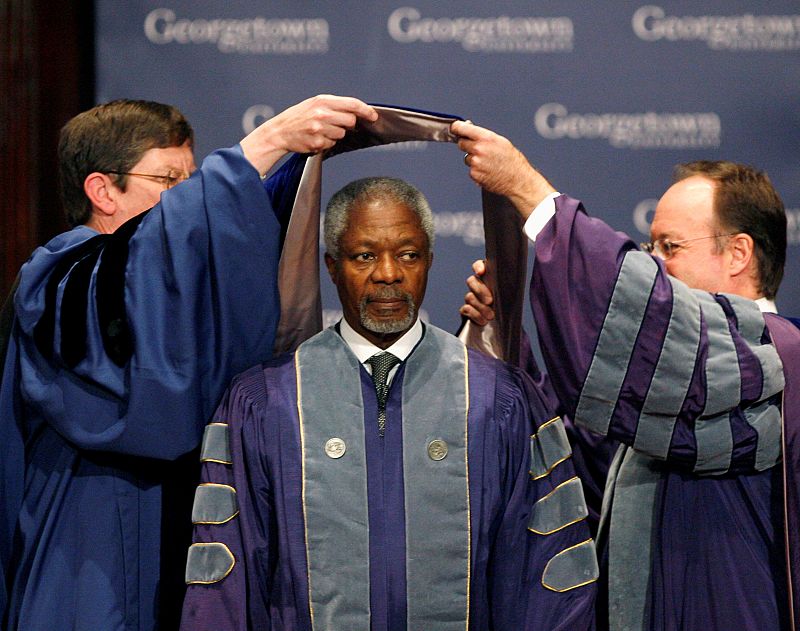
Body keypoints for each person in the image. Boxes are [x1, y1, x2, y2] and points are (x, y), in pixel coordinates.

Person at [0, 95, 378, 630]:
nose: (188, 200)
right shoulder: (60, 277)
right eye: (169, 181)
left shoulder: (178, 296)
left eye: (191, 179)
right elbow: (143, 391)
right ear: (102, 190)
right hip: (87, 564)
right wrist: (264, 144)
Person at [180, 177, 598, 630]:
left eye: (408, 255)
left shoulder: (500, 399)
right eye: (364, 256)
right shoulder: (266, 402)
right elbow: (226, 582)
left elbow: (547, 572)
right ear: (332, 266)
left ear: (430, 262)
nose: (388, 273)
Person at [452, 120, 800, 631]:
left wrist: (531, 193)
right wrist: (504, 340)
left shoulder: (775, 354)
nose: (654, 265)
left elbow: (652, 320)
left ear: (739, 253)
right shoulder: (677, 385)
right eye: (650, 247)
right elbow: (585, 459)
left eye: (670, 247)